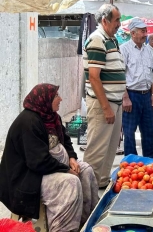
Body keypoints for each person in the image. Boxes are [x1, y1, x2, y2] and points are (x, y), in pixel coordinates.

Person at [0, 83, 98, 232]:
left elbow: (65, 140)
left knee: (86, 171)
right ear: (45, 99)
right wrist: (65, 170)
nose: (61, 99)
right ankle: (63, 229)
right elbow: (37, 161)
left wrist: (71, 158)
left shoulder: (52, 117)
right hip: (26, 178)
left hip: (48, 168)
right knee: (70, 183)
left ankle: (84, 224)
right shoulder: (29, 122)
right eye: (56, 96)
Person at [83, 4, 125, 189]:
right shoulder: (97, 40)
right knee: (97, 150)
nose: (119, 24)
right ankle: (86, 191)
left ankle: (100, 183)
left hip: (114, 102)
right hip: (103, 104)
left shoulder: (111, 39)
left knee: (110, 148)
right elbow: (94, 77)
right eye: (116, 20)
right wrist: (106, 107)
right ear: (105, 20)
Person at [120, 17, 153, 158]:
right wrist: (125, 98)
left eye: (146, 31)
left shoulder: (148, 50)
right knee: (129, 133)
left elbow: (151, 74)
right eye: (142, 31)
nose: (145, 34)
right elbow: (120, 75)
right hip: (131, 95)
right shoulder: (124, 49)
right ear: (133, 33)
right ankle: (131, 163)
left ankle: (149, 162)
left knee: (149, 132)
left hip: (146, 95)